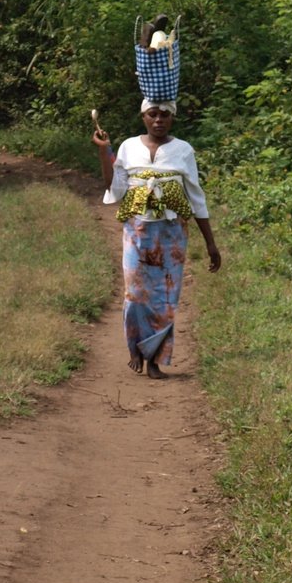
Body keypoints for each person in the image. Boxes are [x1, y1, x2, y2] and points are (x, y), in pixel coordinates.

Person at [93, 99, 221, 379]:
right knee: (136, 295)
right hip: (137, 231)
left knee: (165, 298)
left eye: (165, 115)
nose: (159, 120)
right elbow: (113, 187)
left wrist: (210, 243)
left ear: (172, 118)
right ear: (143, 116)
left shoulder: (183, 150)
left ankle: (154, 359)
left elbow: (196, 198)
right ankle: (136, 347)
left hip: (171, 234)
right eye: (153, 114)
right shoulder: (128, 147)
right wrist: (104, 153)